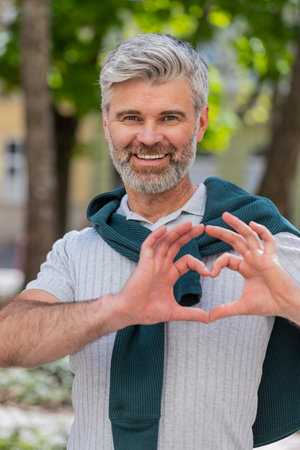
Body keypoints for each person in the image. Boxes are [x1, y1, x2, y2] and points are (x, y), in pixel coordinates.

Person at [0, 33, 300, 450]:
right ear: (107, 125)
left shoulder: (257, 241)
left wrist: (291, 302)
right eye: (131, 118)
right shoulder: (76, 251)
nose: (149, 136)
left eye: (170, 118)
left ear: (201, 122)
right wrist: (118, 309)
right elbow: (6, 341)